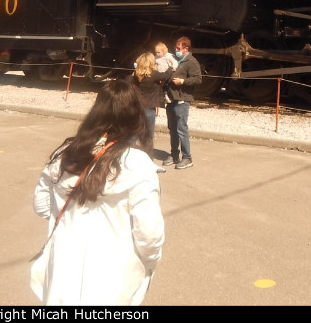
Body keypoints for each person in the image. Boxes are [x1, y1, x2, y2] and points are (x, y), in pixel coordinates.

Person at [31, 79, 164, 305]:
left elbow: (41, 205)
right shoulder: (138, 164)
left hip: (62, 270)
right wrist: (149, 262)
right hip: (114, 279)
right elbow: (149, 233)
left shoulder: (65, 154)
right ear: (135, 117)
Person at [164, 36, 202, 170]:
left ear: (186, 49)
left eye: (179, 48)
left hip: (182, 100)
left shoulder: (191, 61)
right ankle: (174, 154)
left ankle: (187, 157)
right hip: (171, 99)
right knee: (172, 128)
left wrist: (183, 81)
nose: (176, 50)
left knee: (181, 129)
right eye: (175, 48)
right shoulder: (174, 60)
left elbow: (198, 79)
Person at [131, 53, 170, 166]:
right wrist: (171, 67)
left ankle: (127, 157)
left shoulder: (135, 76)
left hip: (137, 108)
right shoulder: (154, 75)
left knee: (133, 135)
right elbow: (166, 75)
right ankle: (148, 161)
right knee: (148, 137)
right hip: (149, 110)